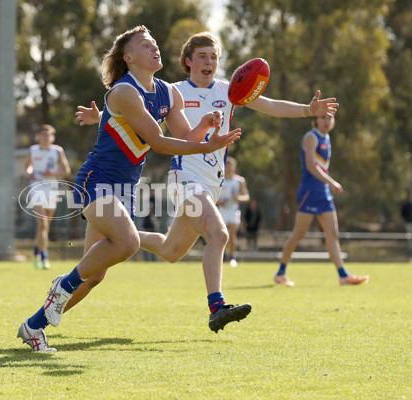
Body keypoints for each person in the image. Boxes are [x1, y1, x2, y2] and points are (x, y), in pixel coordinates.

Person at [74, 32, 339, 336]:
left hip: (212, 183)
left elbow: (271, 106)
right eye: (202, 56)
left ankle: (125, 237)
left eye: (213, 56)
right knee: (219, 233)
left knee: (172, 250)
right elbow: (134, 110)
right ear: (188, 62)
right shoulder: (172, 90)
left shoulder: (231, 91)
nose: (209, 62)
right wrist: (101, 117)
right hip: (184, 177)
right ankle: (217, 307)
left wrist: (308, 110)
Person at [17, 26, 241, 352]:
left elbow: (184, 139)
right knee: (128, 242)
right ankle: (62, 286)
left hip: (127, 187)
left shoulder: (169, 92)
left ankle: (34, 325)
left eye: (155, 44)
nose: (155, 49)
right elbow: (160, 143)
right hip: (96, 181)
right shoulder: (124, 92)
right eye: (146, 45)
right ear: (129, 57)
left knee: (94, 276)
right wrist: (207, 147)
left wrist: (205, 130)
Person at [274, 114, 369, 286]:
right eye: (323, 117)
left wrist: (328, 185)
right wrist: (332, 182)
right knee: (299, 234)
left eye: (330, 118)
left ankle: (343, 275)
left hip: (323, 192)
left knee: (333, 233)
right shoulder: (311, 137)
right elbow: (311, 165)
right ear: (316, 120)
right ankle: (280, 273)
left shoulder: (327, 137)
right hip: (310, 192)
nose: (327, 121)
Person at [25, 124, 71, 269]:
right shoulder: (32, 150)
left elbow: (66, 171)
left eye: (48, 135)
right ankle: (44, 257)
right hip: (37, 188)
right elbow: (28, 166)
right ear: (39, 137)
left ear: (52, 137)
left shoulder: (57, 151)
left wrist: (53, 174)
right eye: (42, 135)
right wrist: (30, 171)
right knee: (42, 223)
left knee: (44, 227)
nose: (45, 138)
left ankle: (36, 250)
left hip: (51, 189)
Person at [217, 156, 250, 267]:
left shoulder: (239, 180)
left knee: (232, 233)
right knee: (222, 235)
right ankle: (222, 256)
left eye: (231, 165)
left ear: (234, 167)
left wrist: (238, 198)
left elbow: (246, 196)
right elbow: (213, 196)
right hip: (222, 211)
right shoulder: (219, 180)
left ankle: (232, 257)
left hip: (234, 211)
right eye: (227, 165)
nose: (229, 167)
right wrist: (218, 202)